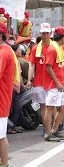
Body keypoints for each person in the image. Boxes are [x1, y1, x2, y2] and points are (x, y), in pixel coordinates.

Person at [43, 26, 64, 141]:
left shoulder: (59, 48)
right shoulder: (52, 49)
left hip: (61, 83)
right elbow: (48, 68)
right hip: (54, 84)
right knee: (50, 108)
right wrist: (57, 82)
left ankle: (55, 130)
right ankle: (48, 133)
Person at [0, 22, 21, 166]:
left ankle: (5, 164)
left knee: (1, 136)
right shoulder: (7, 50)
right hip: (3, 99)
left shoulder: (3, 52)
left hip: (0, 100)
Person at [27, 23, 53, 130]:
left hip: (52, 81)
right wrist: (29, 80)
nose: (45, 35)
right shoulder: (35, 49)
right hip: (39, 81)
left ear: (50, 34)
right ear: (40, 34)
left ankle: (53, 126)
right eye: (43, 33)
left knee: (51, 105)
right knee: (43, 105)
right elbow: (32, 65)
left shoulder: (54, 47)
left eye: (47, 33)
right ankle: (47, 128)